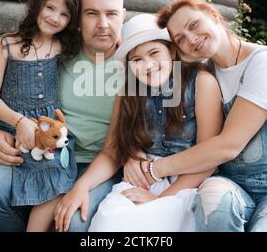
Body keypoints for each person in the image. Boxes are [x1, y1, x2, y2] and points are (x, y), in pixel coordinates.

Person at [127, 0, 267, 232]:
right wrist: (133, 154)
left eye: (194, 25)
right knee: (213, 201)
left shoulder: (265, 64)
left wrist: (156, 169)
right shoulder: (206, 75)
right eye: (180, 39)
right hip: (229, 183)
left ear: (213, 15)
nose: (191, 38)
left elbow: (229, 145)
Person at [0, 0, 127, 232]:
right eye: (91, 14)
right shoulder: (61, 51)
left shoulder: (134, 65)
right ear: (78, 20)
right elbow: (12, 95)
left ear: (123, 16)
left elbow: (119, 147)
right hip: (41, 153)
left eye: (111, 14)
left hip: (97, 165)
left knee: (74, 224)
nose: (103, 25)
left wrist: (81, 186)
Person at [54, 13, 223, 232]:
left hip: (187, 183)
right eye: (137, 60)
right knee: (110, 222)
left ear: (171, 51)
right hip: (141, 179)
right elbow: (112, 151)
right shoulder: (129, 92)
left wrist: (159, 198)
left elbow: (209, 160)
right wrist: (81, 186)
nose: (148, 65)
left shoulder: (201, 83)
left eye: (154, 53)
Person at [0, 0, 79, 231]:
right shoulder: (7, 45)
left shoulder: (63, 48)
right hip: (16, 138)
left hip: (50, 138)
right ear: (37, 5)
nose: (55, 18)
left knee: (55, 184)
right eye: (50, 8)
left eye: (64, 14)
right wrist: (19, 121)